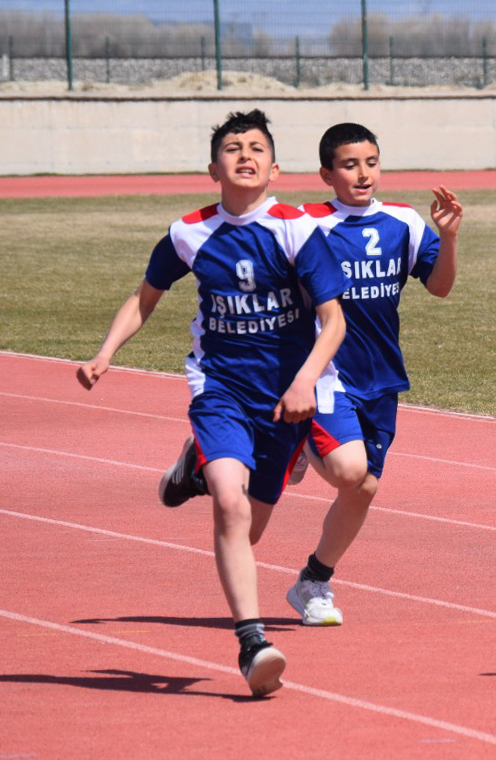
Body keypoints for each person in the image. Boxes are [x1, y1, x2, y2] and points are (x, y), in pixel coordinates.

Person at [77, 109, 348, 696]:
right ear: (213, 168)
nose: (244, 155)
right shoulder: (188, 233)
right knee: (229, 506)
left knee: (247, 530)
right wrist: (105, 353)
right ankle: (253, 643)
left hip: (284, 403)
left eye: (256, 147)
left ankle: (190, 464)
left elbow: (333, 323)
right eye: (232, 147)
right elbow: (144, 298)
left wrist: (304, 382)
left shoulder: (299, 229)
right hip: (219, 388)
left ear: (275, 169)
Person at [159, 122, 463, 628]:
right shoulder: (306, 224)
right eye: (349, 164)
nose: (362, 173)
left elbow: (440, 286)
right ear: (327, 174)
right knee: (348, 470)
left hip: (380, 379)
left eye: (370, 162)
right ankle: (285, 443)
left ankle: (313, 580)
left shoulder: (403, 222)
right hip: (322, 375)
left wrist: (449, 238)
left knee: (362, 488)